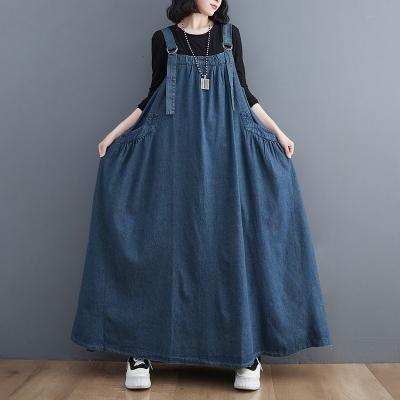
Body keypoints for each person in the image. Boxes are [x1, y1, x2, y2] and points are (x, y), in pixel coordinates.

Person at [70, 0, 332, 392]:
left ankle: (246, 352)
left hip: (229, 157)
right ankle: (140, 351)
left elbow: (245, 93)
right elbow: (152, 97)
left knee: (232, 246)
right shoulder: (163, 40)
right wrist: (114, 135)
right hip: (171, 159)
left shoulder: (229, 37)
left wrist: (279, 133)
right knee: (160, 244)